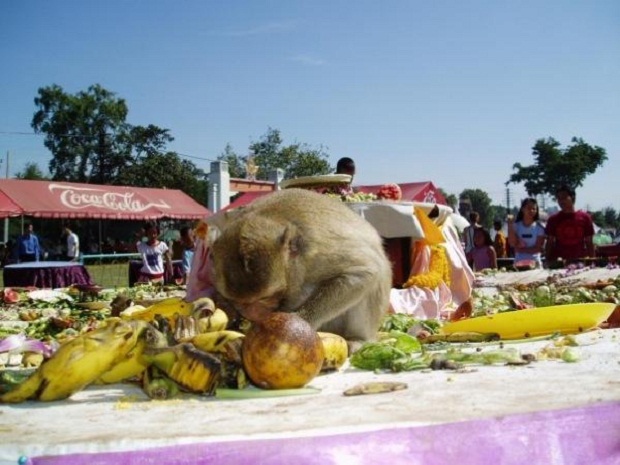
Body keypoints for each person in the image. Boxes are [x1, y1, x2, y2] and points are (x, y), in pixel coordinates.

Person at [545, 185, 595, 264]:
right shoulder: (552, 220)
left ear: (573, 198)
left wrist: (593, 261)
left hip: (580, 262)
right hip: (559, 262)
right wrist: (547, 261)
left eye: (564, 197)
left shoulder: (585, 218)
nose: (561, 201)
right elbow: (549, 243)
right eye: (559, 198)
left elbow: (589, 242)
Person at [507, 198, 546, 268]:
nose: (531, 211)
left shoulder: (540, 227)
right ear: (522, 209)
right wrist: (510, 225)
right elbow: (512, 243)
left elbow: (538, 248)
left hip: (535, 264)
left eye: (534, 209)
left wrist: (521, 250)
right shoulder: (516, 226)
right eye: (529, 208)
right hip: (518, 263)